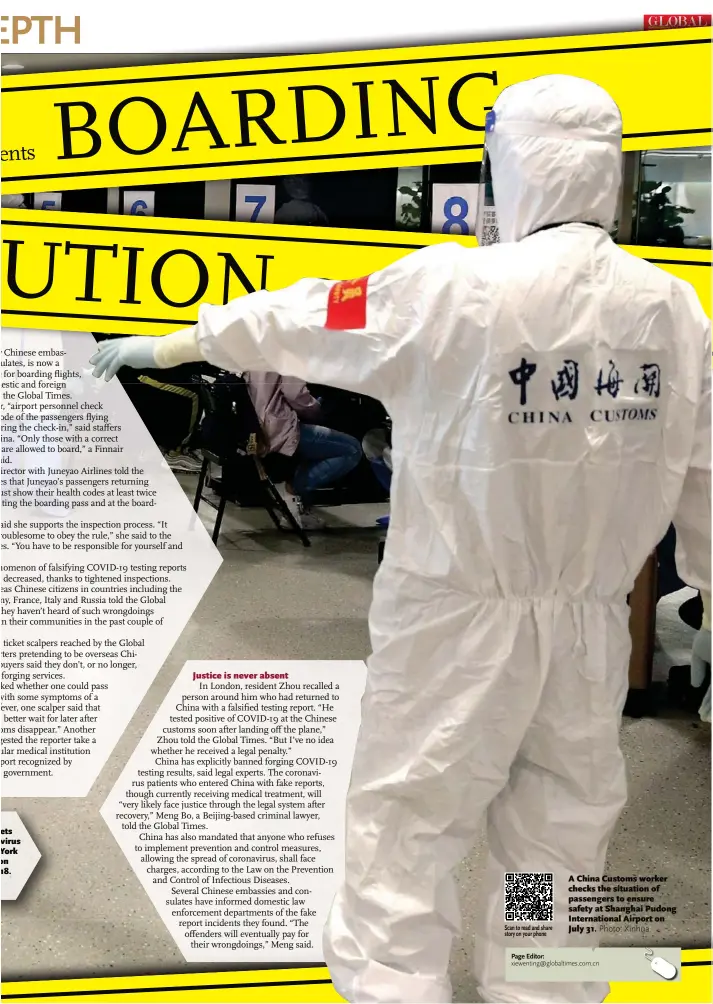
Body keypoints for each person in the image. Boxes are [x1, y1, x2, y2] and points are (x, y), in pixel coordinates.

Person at [90, 74, 710, 1004]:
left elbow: (309, 313)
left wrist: (177, 345)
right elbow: (704, 476)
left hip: (451, 622)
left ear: (513, 166)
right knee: (561, 834)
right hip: (585, 634)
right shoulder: (676, 315)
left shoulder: (448, 288)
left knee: (404, 830)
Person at [244, 371, 363, 529]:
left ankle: (298, 504)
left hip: (251, 431)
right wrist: (317, 410)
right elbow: (295, 395)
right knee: (352, 449)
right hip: (275, 430)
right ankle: (293, 492)